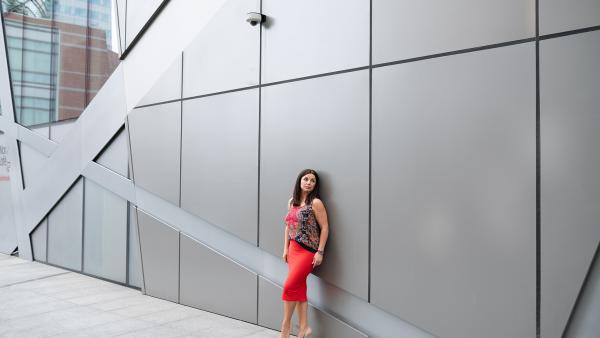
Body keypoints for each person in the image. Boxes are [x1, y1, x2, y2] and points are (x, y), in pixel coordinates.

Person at [280, 169, 329, 338]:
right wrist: (285, 248)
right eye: (306, 179)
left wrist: (320, 252)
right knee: (299, 288)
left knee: (289, 286)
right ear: (299, 181)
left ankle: (285, 327)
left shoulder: (315, 203)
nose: (308, 182)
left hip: (308, 251)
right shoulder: (292, 201)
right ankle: (304, 328)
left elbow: (325, 228)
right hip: (293, 249)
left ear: (315, 185)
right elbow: (288, 226)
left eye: (312, 180)